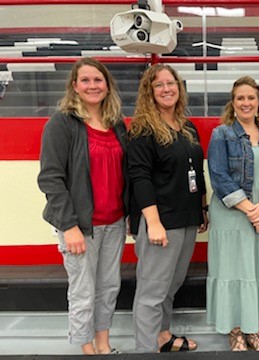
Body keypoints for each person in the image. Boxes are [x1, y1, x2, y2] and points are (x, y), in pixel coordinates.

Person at [37, 57, 127, 355]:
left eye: (98, 80)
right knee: (83, 292)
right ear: (74, 86)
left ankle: (103, 344)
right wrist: (69, 226)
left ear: (107, 85)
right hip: (79, 227)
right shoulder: (61, 123)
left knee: (108, 288)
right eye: (85, 80)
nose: (92, 85)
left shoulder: (116, 123)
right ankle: (86, 349)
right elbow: (51, 178)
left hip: (113, 223)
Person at [127, 64, 208, 353]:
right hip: (161, 222)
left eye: (171, 83)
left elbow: (195, 171)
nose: (166, 89)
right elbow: (140, 177)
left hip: (186, 218)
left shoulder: (187, 126)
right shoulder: (142, 129)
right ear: (149, 91)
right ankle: (145, 350)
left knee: (170, 285)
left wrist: (202, 208)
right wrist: (153, 222)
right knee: (152, 292)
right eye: (158, 85)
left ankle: (163, 336)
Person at [207, 76, 259, 351]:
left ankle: (254, 330)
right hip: (233, 215)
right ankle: (236, 331)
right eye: (240, 98)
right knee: (235, 269)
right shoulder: (222, 134)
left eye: (250, 98)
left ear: (258, 102)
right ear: (233, 102)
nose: (245, 103)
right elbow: (218, 176)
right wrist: (252, 211)